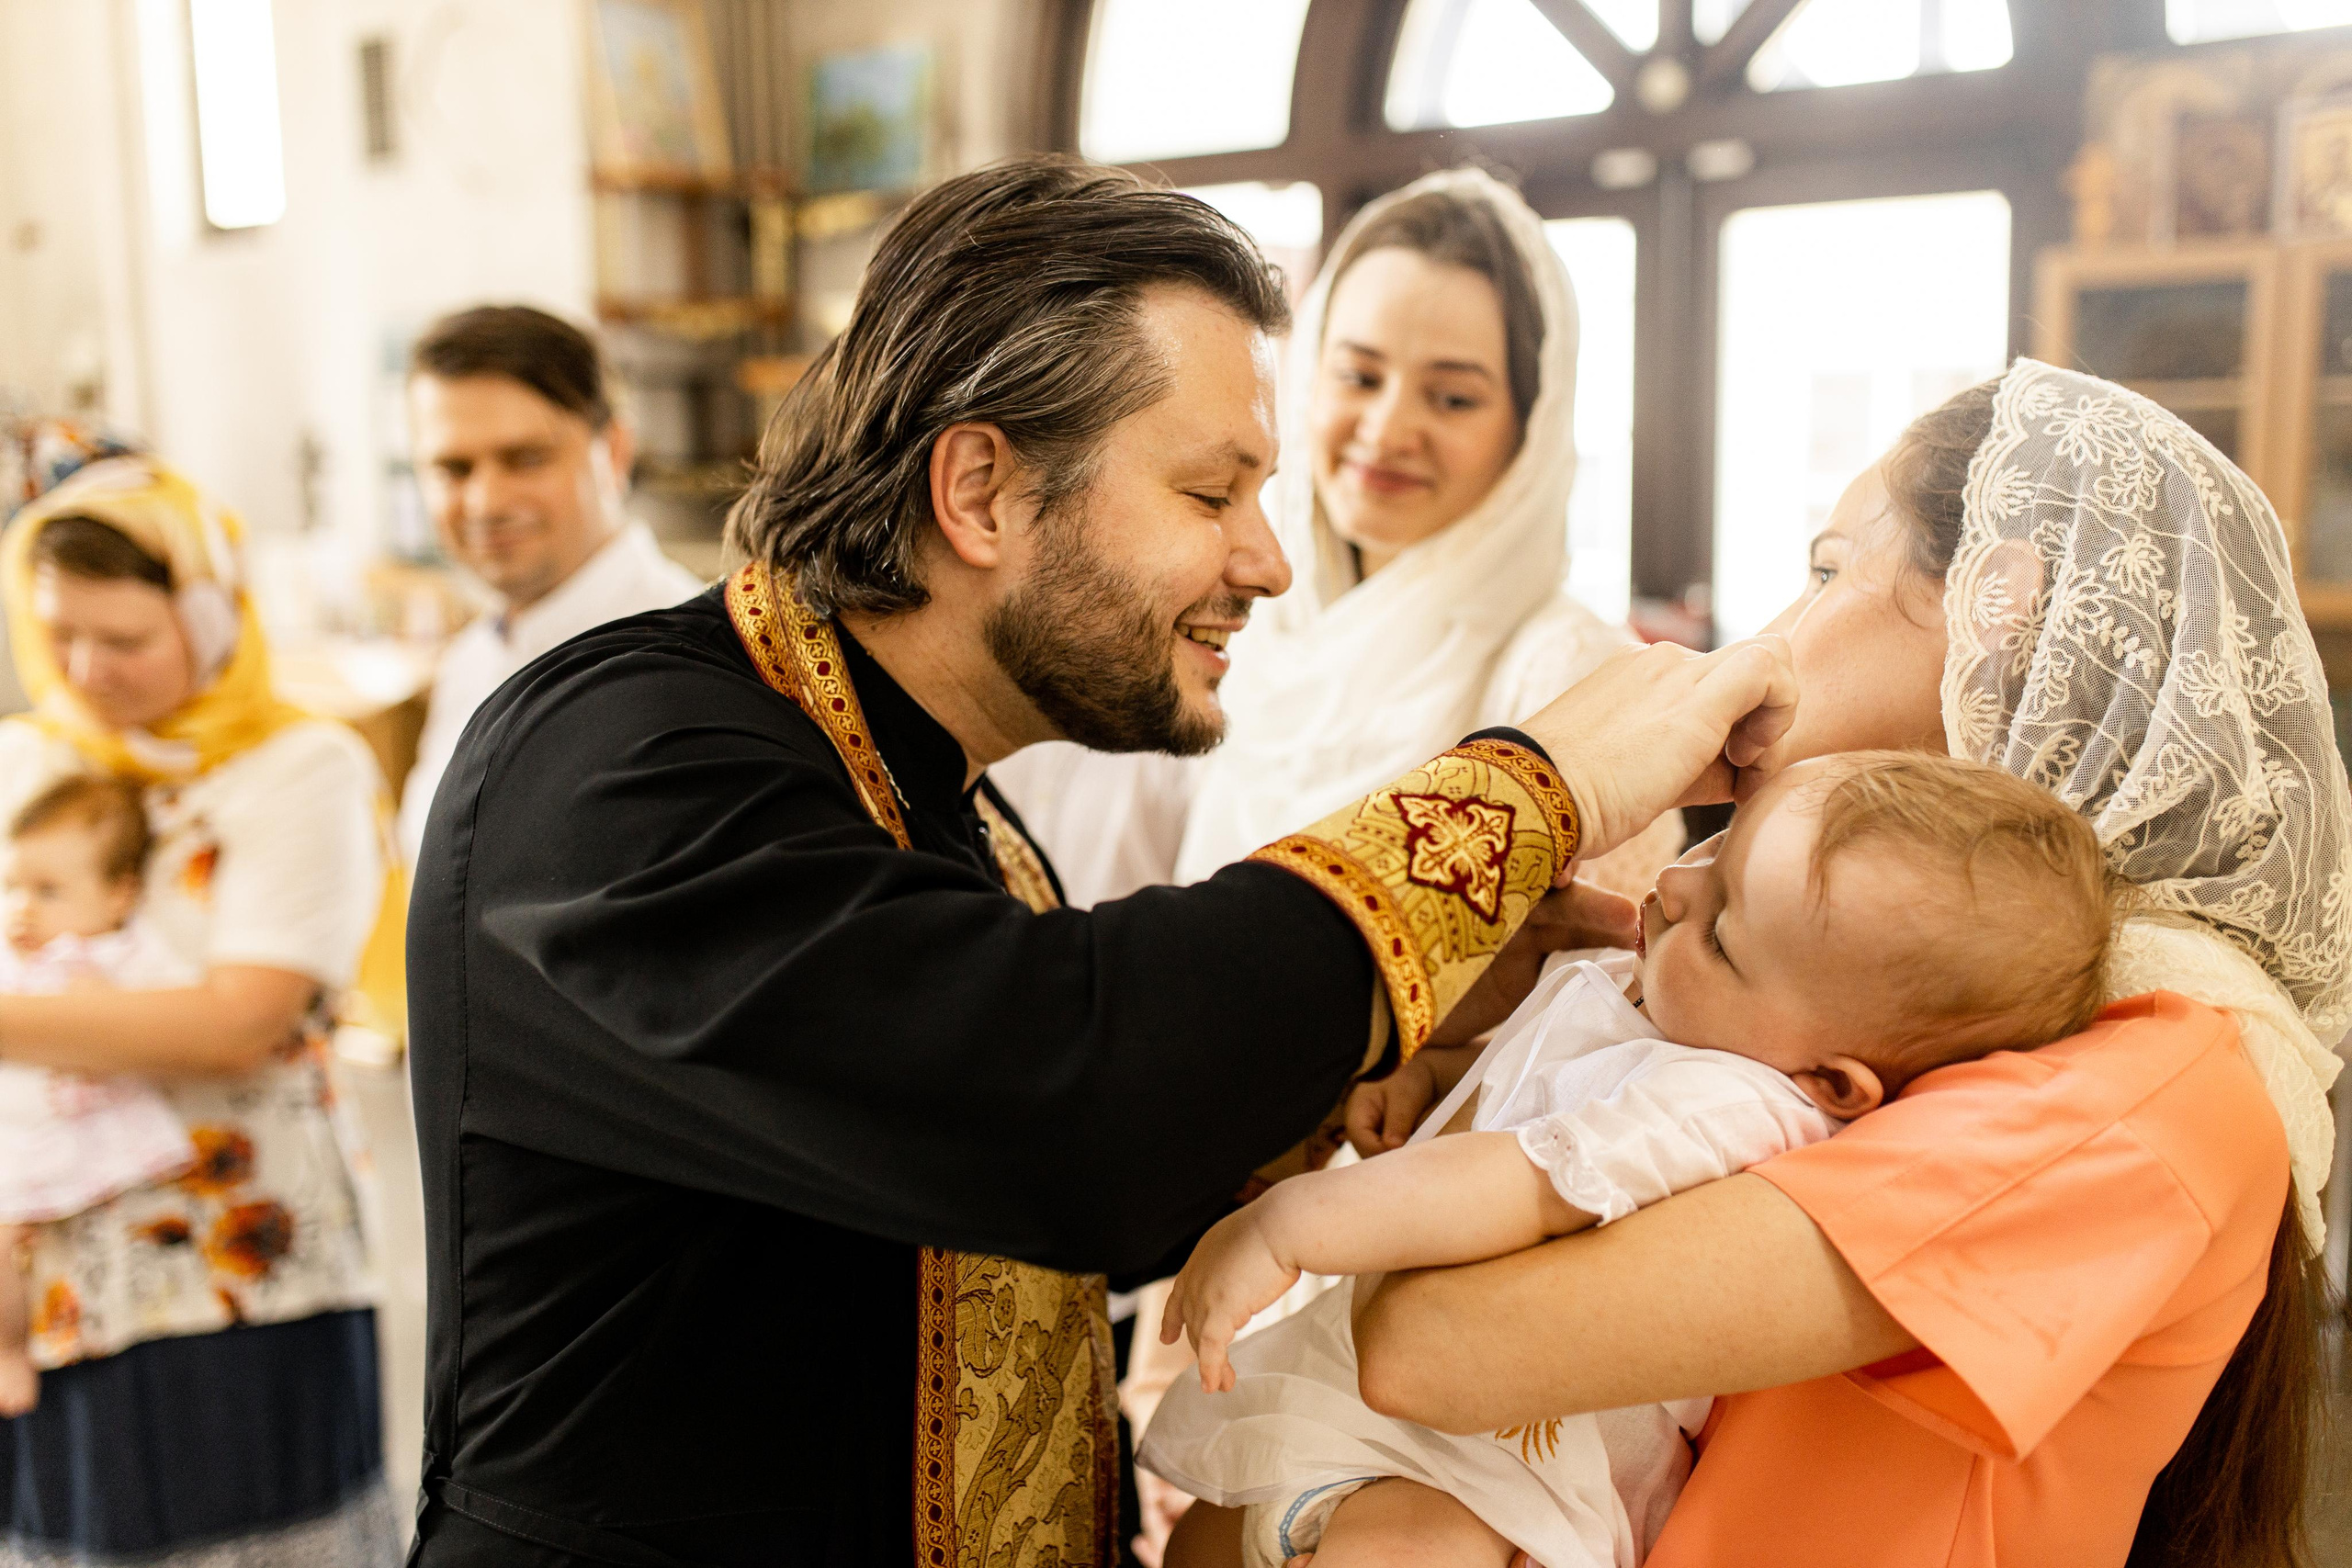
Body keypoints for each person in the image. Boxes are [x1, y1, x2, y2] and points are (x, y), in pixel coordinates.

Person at [402, 157, 1795, 1568]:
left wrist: (1393, 1050)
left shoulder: (943, 798)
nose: (1266, 557)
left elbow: (982, 1160)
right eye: (1210, 491)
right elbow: (1060, 1098)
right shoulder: (622, 757)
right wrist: (1527, 790)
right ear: (984, 490)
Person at [1289, 361, 2351, 1568]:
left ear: (2000, 603)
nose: (1774, 634)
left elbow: (1427, 1340)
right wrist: (1472, 1015)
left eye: (1829, 568)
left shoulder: (2151, 1084)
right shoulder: (1900, 997)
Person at [1143, 751, 2121, 1568]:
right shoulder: (1673, 1003)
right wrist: (1434, 1074)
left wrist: (1291, 1226)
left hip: (1492, 1478)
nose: (1677, 884)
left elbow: (1527, 1181)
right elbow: (1530, 1084)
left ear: (1830, 1083)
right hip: (1390, 1420)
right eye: (1718, 847)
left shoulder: (1734, 1103)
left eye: (1726, 927)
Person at [995, 168, 1679, 909]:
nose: (1386, 431)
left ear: (1531, 427)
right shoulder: (1241, 626)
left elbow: (1591, 995)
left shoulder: (1568, 675)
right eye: (1358, 375)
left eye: (1452, 397)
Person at [0, 457, 401, 1565]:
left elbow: (242, 1019)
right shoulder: (28, 758)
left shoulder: (297, 768)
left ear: (211, 614)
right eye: (60, 634)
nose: (87, 670)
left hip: (238, 1274)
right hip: (53, 1277)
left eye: (124, 639)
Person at [396, 304, 706, 863]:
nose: (486, 502)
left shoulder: (685, 664)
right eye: (454, 469)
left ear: (613, 452)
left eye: (525, 459)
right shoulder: (470, 660)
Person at [0, 775, 197, 1416]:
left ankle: (13, 1352)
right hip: (23, 1130)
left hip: (86, 1132)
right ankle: (10, 1347)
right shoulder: (14, 955)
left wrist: (100, 1006)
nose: (23, 907)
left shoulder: (124, 951)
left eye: (48, 891)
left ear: (120, 895)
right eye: (14, 886)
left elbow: (171, 1010)